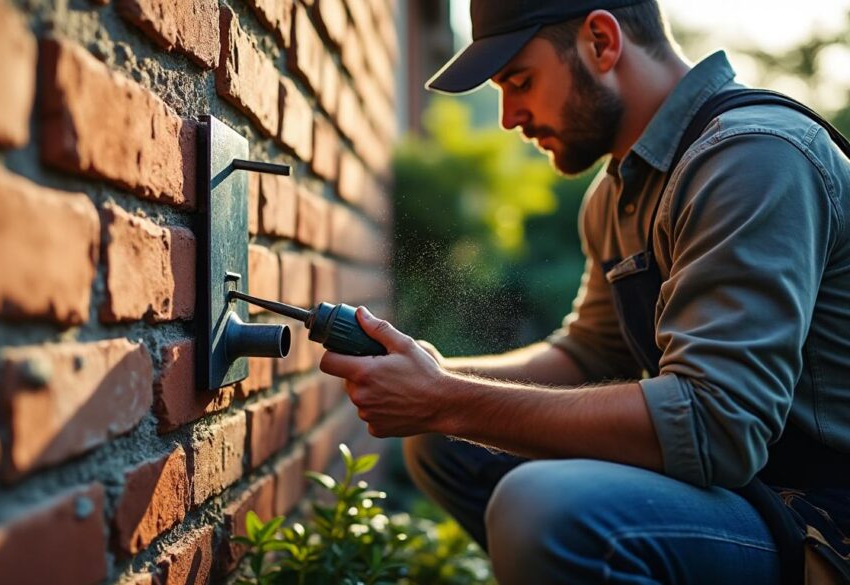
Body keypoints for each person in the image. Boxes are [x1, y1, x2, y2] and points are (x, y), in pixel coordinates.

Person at [318, 0, 850, 583]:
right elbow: (587, 353)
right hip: (750, 496)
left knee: (544, 508)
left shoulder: (753, 156)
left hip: (823, 524)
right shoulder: (620, 190)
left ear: (601, 42)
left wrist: (448, 399)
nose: (508, 116)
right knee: (444, 444)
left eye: (519, 81)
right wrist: (438, 377)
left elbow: (715, 424)